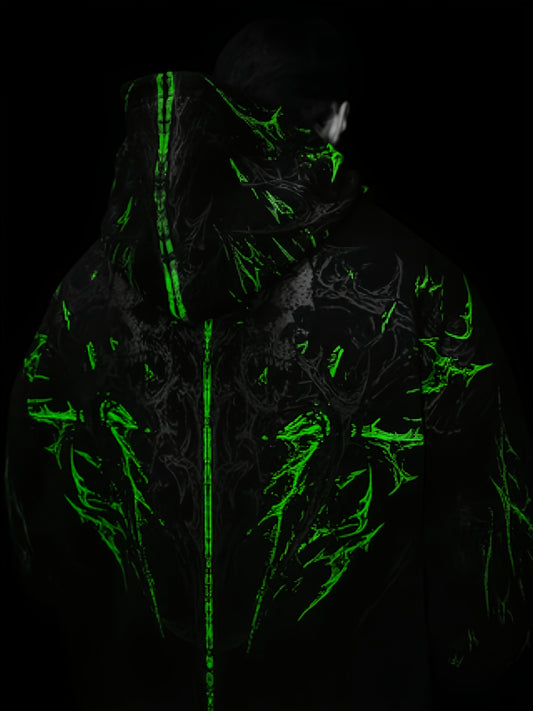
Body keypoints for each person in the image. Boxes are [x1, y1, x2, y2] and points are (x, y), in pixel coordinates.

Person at [4, 15, 532, 711]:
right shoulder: (417, 285)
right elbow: (481, 523)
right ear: (338, 119)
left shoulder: (85, 289)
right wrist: (468, 669)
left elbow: (34, 506)